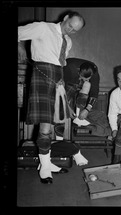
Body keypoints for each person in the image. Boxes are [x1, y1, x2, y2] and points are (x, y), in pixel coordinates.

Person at [18, 11, 85, 184]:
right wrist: (20, 47)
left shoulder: (67, 41)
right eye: (70, 25)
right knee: (45, 125)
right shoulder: (42, 28)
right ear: (65, 19)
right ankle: (45, 168)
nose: (71, 30)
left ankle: (45, 163)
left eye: (75, 30)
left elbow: (60, 62)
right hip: (42, 75)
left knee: (56, 122)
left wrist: (62, 82)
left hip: (58, 78)